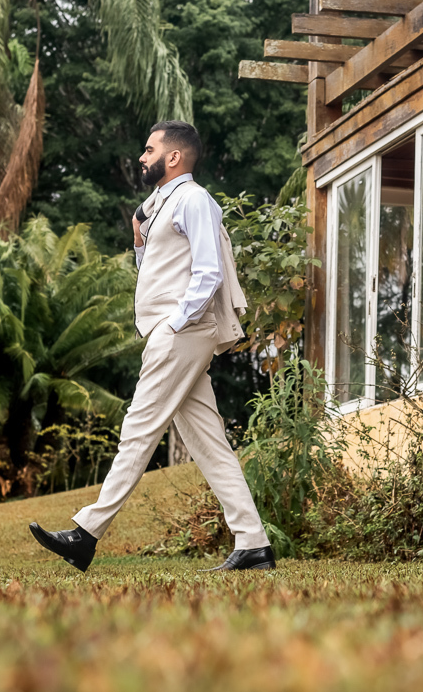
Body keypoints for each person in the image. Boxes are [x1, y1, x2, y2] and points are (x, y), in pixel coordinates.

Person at [29, 121, 275, 572]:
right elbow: (159, 266)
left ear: (174, 156)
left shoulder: (194, 200)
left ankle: (85, 534)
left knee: (139, 429)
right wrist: (140, 239)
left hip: (180, 331)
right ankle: (254, 543)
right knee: (209, 443)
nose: (142, 157)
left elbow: (208, 271)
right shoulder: (163, 204)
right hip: (171, 330)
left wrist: (177, 323)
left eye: (149, 150)